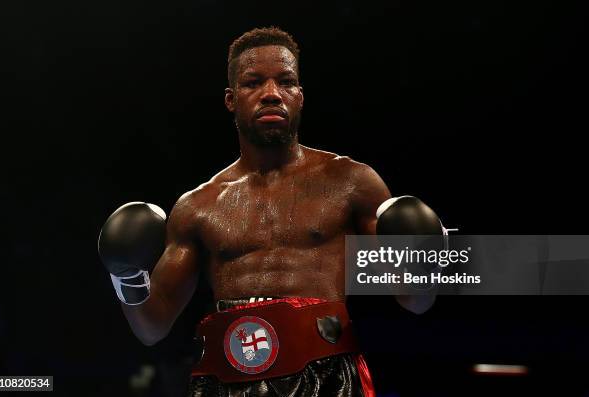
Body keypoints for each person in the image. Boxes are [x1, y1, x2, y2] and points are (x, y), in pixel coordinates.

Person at [99, 27, 443, 397]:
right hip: (225, 382)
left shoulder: (351, 181)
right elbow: (152, 327)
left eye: (286, 82)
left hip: (327, 378)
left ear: (300, 96)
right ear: (231, 99)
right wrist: (127, 275)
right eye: (253, 83)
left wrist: (424, 261)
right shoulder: (197, 206)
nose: (271, 94)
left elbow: (415, 301)